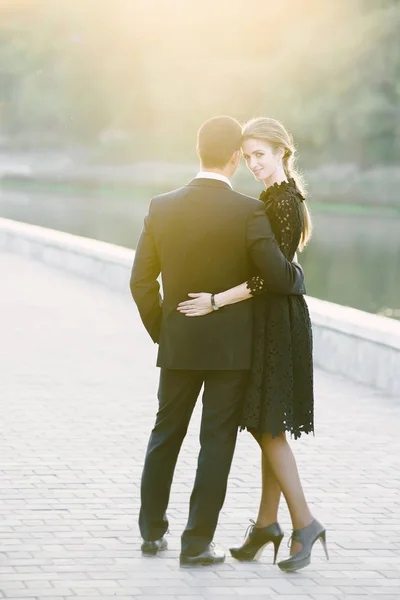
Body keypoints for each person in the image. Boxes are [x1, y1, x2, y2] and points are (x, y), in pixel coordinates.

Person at [130, 116, 305, 566]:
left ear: (198, 152)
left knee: (164, 434)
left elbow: (141, 283)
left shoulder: (161, 205)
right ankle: (195, 544)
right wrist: (297, 273)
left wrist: (165, 332)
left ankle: (151, 534)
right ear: (234, 157)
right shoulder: (249, 211)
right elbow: (278, 276)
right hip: (232, 352)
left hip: (179, 345)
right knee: (216, 443)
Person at [177, 117, 329, 572]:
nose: (253, 164)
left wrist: (215, 301)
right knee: (269, 422)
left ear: (283, 151)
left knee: (269, 426)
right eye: (247, 157)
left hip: (276, 322)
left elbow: (270, 277)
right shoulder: (278, 197)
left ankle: (304, 524)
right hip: (273, 320)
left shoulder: (281, 202)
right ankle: (266, 524)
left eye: (260, 155)